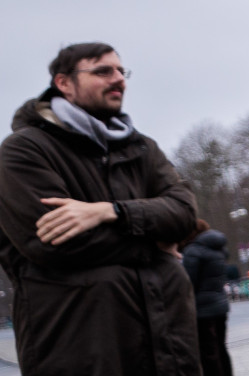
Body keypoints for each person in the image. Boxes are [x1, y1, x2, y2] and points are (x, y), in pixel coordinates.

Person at [0, 43, 199, 376]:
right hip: (82, 348)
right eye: (103, 71)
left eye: (122, 71)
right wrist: (156, 241)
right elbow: (55, 242)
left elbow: (184, 214)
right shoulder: (24, 150)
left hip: (168, 349)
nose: (118, 79)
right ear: (64, 83)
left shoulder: (142, 148)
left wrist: (111, 212)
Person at [181, 218, 233, 376]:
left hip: (202, 310)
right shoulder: (218, 250)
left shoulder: (193, 251)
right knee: (221, 348)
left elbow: (188, 282)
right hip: (220, 306)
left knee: (208, 353)